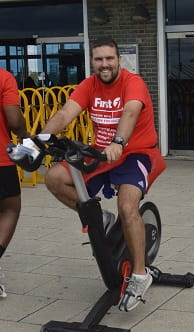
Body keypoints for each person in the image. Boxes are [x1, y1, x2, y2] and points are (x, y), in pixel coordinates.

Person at [40, 38, 166, 312]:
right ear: (92, 62)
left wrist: (119, 143)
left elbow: (131, 112)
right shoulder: (89, 84)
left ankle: (140, 275)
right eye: (99, 59)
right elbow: (65, 113)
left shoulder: (134, 83)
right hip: (102, 154)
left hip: (136, 152)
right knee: (54, 179)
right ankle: (101, 217)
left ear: (118, 59)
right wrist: (40, 139)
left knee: (127, 205)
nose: (104, 64)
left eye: (109, 58)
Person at [0, 68, 30, 298]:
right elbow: (13, 120)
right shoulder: (3, 77)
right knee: (10, 208)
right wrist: (25, 135)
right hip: (1, 161)